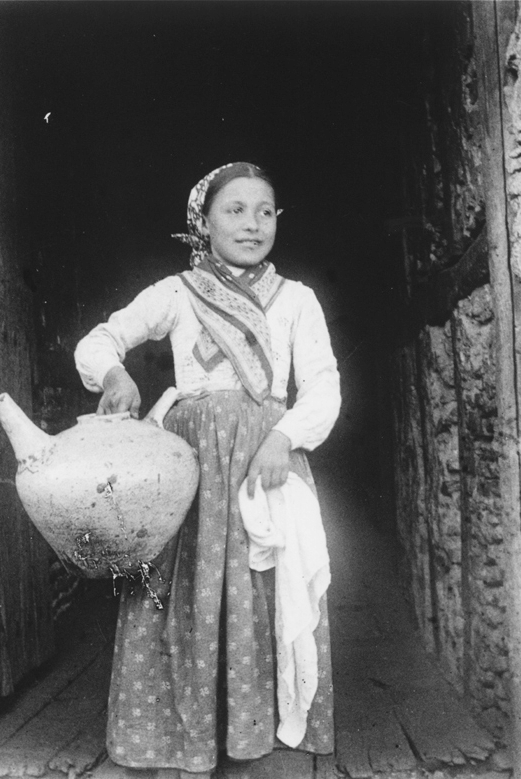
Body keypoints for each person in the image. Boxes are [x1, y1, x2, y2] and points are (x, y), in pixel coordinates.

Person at [74, 162, 341, 778]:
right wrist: (114, 375)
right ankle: (174, 735)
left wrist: (284, 437)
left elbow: (324, 385)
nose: (252, 224)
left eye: (265, 212)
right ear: (204, 222)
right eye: (235, 210)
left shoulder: (296, 299)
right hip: (191, 464)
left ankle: (255, 734)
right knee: (178, 590)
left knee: (261, 586)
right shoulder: (176, 293)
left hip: (265, 460)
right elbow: (99, 341)